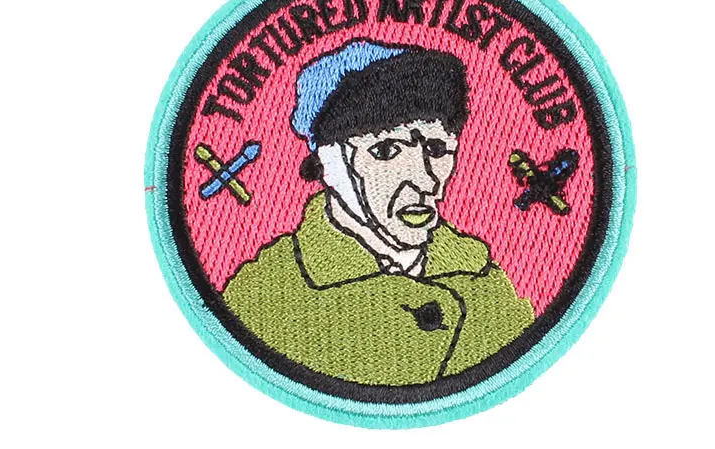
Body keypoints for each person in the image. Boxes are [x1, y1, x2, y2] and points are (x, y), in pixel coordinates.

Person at [223, 40, 534, 385]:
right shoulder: (266, 298)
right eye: (387, 151)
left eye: (436, 149)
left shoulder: (484, 284)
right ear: (331, 164)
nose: (426, 179)